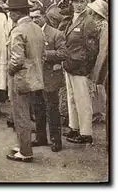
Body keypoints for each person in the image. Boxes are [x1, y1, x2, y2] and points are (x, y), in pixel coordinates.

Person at [5, 0, 45, 162]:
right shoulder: (36, 27)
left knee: (20, 115)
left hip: (21, 78)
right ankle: (23, 144)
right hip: (36, 75)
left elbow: (17, 59)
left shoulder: (18, 31)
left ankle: (25, 151)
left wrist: (9, 70)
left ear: (15, 14)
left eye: (10, 12)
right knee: (27, 113)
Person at [62, 0, 99, 144]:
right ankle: (74, 127)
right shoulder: (72, 18)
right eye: (76, 2)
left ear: (86, 2)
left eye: (82, 1)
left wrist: (87, 68)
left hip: (80, 66)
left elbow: (92, 49)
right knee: (71, 98)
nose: (79, 4)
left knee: (82, 100)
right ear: (71, 3)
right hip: (70, 64)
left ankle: (85, 133)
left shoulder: (88, 21)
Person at [30, 8, 67, 152]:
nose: (35, 20)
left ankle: (56, 141)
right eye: (32, 18)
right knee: (37, 108)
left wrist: (45, 54)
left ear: (44, 17)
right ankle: (41, 137)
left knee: (52, 109)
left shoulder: (55, 33)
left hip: (50, 77)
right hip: (35, 76)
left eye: (37, 17)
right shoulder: (31, 32)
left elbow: (63, 53)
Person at [87, 0, 108, 123]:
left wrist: (97, 67)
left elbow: (103, 50)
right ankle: (97, 112)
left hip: (102, 62)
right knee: (95, 87)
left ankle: (101, 113)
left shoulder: (104, 26)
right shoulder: (95, 24)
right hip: (94, 59)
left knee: (100, 86)